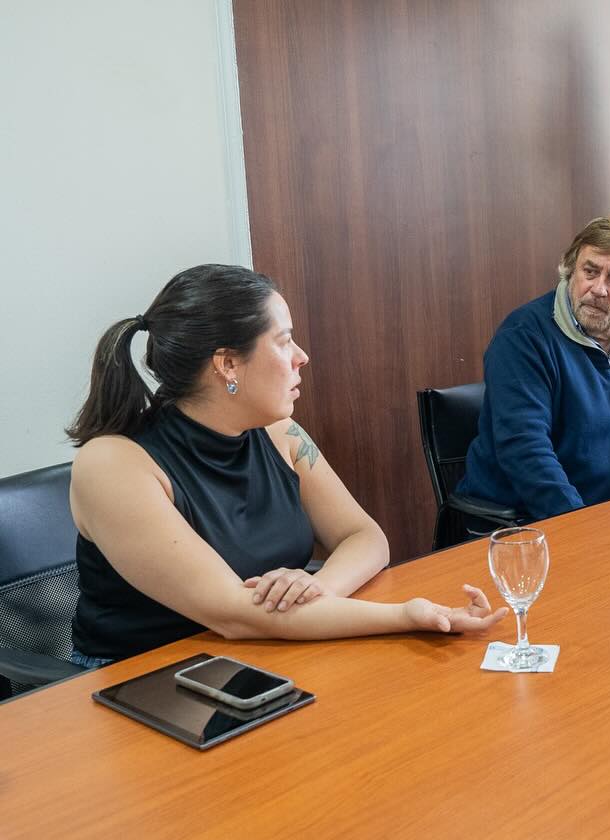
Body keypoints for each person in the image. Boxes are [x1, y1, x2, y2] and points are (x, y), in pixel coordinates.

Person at [67, 264, 507, 667]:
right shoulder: (112, 465)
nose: (301, 357)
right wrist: (407, 614)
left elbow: (366, 536)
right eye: (283, 341)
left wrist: (319, 588)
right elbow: (236, 616)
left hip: (262, 655)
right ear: (227, 364)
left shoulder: (281, 433)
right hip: (143, 682)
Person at [455, 215, 610, 521]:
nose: (598, 289)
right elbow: (526, 454)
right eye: (589, 271)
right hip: (525, 524)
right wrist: (581, 527)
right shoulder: (523, 338)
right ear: (570, 271)